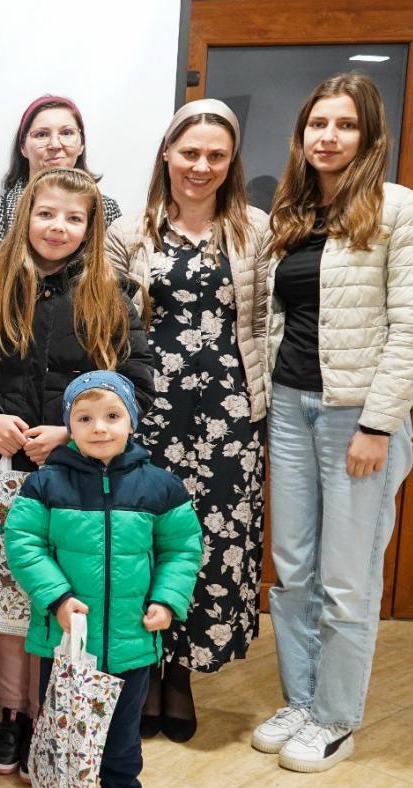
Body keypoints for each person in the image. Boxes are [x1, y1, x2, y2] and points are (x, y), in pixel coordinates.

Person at [0, 167, 153, 780]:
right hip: (4, 473)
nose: (57, 227)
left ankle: (52, 718)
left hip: (79, 477)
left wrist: (72, 430)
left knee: (66, 597)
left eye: (73, 218)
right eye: (46, 214)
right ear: (24, 217)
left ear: (91, 228)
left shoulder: (112, 295)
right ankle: (13, 714)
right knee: (14, 600)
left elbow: (137, 385)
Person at [253, 73, 413, 773]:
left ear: (370, 135)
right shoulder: (292, 213)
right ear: (302, 134)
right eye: (318, 123)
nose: (328, 136)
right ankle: (300, 701)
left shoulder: (398, 208)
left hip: (356, 417)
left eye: (345, 124)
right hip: (290, 410)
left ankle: (335, 717)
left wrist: (379, 425)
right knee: (293, 570)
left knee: (346, 577)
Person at [104, 99, 270, 742]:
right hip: (151, 413)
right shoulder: (128, 233)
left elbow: (269, 321)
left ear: (231, 163)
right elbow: (107, 325)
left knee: (212, 545)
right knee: (148, 539)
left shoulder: (256, 230)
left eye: (216, 156)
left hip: (230, 418)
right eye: (190, 152)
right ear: (167, 155)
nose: (201, 166)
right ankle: (146, 671)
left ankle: (182, 676)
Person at [5, 371, 202, 788]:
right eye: (85, 418)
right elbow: (23, 544)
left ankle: (122, 785)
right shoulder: (44, 485)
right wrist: (57, 598)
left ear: (131, 422)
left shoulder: (161, 488)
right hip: (66, 646)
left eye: (112, 416)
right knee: (63, 738)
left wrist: (166, 600)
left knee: (122, 743)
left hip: (132, 645)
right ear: (69, 426)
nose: (99, 428)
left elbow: (182, 549)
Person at [0, 94, 122, 266]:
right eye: (41, 135)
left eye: (66, 133)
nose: (55, 144)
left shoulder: (106, 210)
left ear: (81, 145)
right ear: (23, 147)